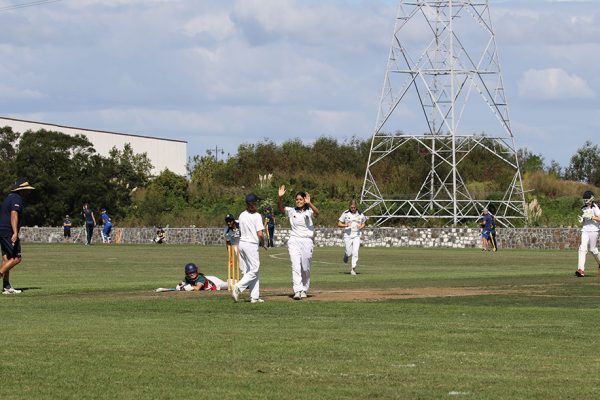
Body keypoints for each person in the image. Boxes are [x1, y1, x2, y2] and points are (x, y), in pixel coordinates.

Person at [278, 185, 319, 300]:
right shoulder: (291, 211)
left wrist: (309, 203)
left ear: (304, 200)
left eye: (301, 199)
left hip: (307, 240)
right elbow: (281, 209)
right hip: (294, 240)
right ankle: (297, 290)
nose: (299, 201)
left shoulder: (309, 211)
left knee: (305, 267)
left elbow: (317, 213)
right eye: (297, 199)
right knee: (295, 265)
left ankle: (304, 289)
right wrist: (280, 198)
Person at [0, 178, 35, 294]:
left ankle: (6, 286)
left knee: (7, 259)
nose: (28, 192)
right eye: (27, 190)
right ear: (21, 190)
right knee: (16, 258)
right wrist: (15, 232)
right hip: (7, 231)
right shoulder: (17, 198)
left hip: (2, 230)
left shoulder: (9, 197)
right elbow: (13, 215)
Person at [231, 193, 266, 303]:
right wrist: (263, 242)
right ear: (253, 204)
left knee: (252, 270)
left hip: (242, 244)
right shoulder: (257, 216)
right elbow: (260, 233)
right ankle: (238, 287)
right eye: (256, 202)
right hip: (251, 245)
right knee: (254, 269)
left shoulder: (242, 215)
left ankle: (254, 297)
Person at [337, 199, 367, 275]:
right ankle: (346, 255)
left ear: (356, 207)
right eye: (351, 207)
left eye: (354, 207)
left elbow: (364, 223)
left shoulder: (360, 214)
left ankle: (353, 269)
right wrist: (346, 225)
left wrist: (361, 226)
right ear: (349, 207)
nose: (353, 209)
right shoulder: (345, 213)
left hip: (357, 235)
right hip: (348, 235)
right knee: (349, 252)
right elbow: (339, 223)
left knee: (355, 252)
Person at [575, 191, 600, 277]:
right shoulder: (583, 208)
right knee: (582, 248)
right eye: (584, 200)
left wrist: (592, 217)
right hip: (585, 230)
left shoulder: (595, 207)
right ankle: (581, 270)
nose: (585, 201)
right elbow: (585, 219)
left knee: (593, 249)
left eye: (587, 200)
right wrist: (582, 220)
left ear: (591, 199)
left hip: (594, 230)